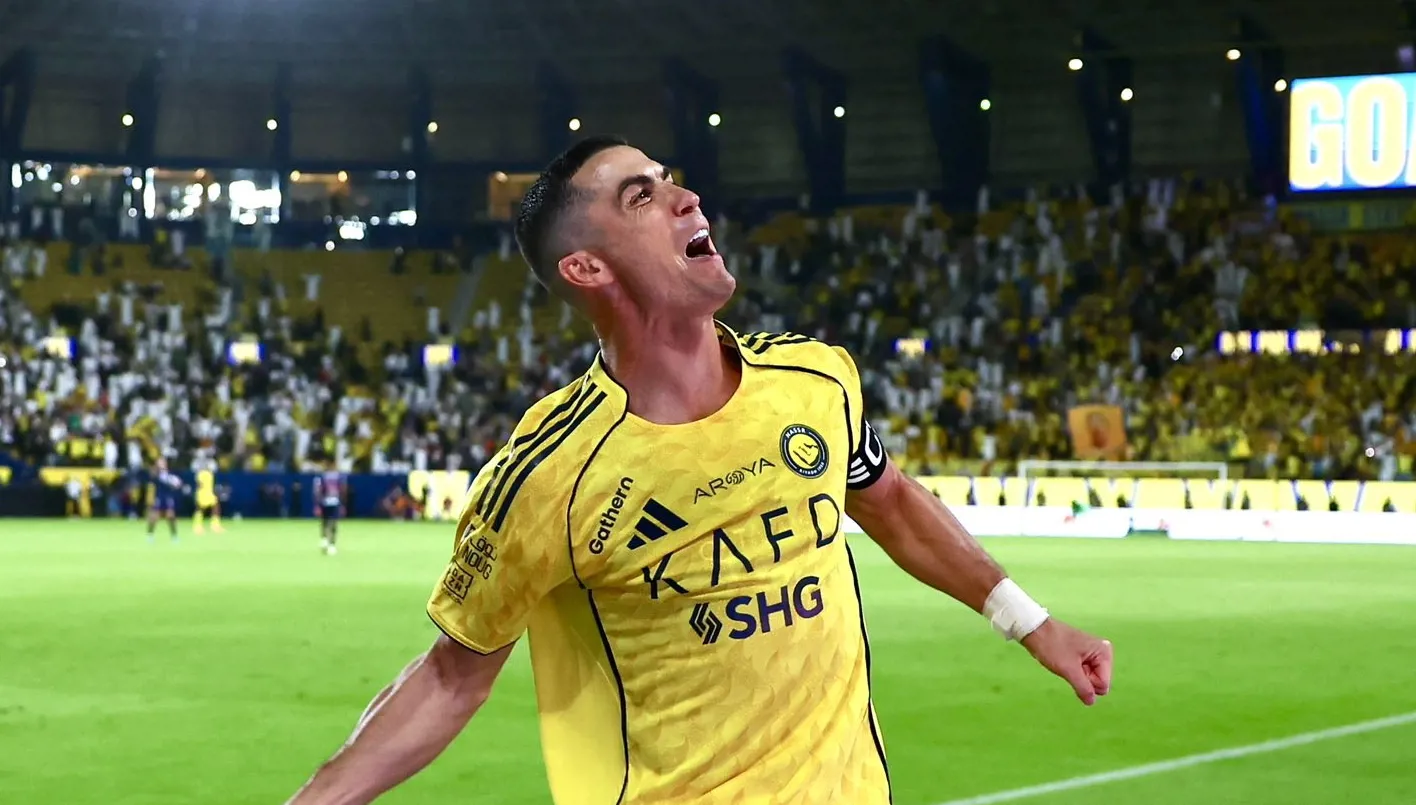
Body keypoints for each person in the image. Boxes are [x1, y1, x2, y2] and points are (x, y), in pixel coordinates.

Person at [285, 136, 1114, 805]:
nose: (685, 197)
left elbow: (888, 499)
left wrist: (1033, 623)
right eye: (639, 196)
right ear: (587, 267)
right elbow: (450, 676)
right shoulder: (551, 473)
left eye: (669, 179)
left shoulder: (815, 380)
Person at [146, 457, 185, 542]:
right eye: (159, 463)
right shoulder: (156, 473)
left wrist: (176, 484)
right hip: (159, 497)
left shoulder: (170, 474)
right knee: (154, 517)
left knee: (171, 516)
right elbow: (152, 479)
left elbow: (178, 483)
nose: (161, 464)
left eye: (162, 463)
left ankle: (174, 536)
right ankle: (150, 535)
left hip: (168, 497)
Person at [313, 468, 347, 555]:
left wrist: (342, 505)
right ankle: (326, 540)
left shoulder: (336, 476)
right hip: (327, 502)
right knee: (327, 522)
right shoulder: (324, 476)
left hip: (332, 502)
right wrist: (318, 505)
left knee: (331, 523)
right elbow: (318, 490)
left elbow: (342, 490)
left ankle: (330, 543)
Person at [192, 462, 224, 534]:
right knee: (200, 509)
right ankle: (197, 526)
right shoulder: (200, 474)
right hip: (202, 493)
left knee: (216, 506)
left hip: (209, 493)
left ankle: (215, 525)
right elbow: (199, 484)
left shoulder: (210, 474)